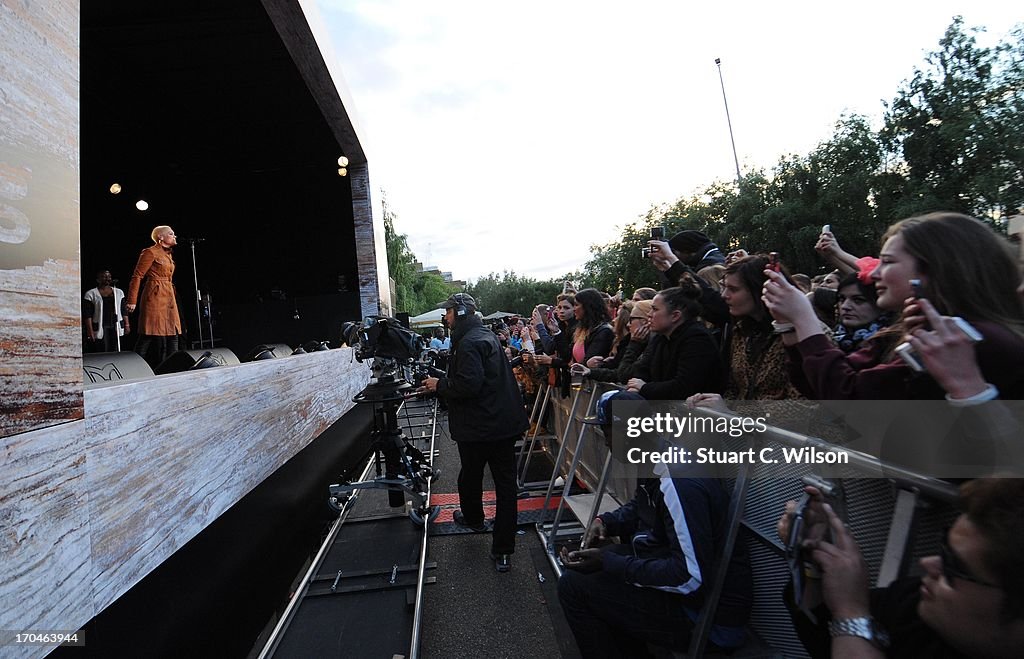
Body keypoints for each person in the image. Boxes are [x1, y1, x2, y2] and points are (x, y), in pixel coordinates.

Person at [763, 212, 1024, 400]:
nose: (874, 273)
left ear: (934, 270)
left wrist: (804, 318)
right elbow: (819, 386)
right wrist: (789, 325)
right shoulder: (913, 330)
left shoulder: (971, 339)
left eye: (887, 262)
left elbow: (849, 399)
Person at [779, 478, 1024, 658]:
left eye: (954, 566)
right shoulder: (914, 602)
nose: (927, 564)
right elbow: (825, 642)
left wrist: (851, 613)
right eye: (944, 548)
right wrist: (814, 561)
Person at [558, 471, 753, 657]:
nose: (608, 440)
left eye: (611, 434)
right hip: (694, 599)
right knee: (596, 572)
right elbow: (642, 507)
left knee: (573, 586)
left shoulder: (678, 484)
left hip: (709, 621)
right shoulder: (658, 466)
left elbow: (688, 576)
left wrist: (608, 562)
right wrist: (606, 522)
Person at [420, 293, 529, 573]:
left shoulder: (468, 342)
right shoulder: (485, 336)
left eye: (448, 312)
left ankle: (474, 519)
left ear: (460, 312)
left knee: (470, 477)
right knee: (505, 487)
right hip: (502, 425)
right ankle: (503, 551)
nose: (444, 317)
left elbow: (468, 386)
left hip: (480, 427)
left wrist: (438, 384)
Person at [127, 225, 182, 367]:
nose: (174, 236)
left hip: (169, 296)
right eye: (171, 234)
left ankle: (172, 368)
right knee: (148, 334)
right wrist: (132, 300)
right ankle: (134, 367)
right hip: (155, 296)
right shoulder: (150, 252)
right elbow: (137, 276)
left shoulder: (168, 254)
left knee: (173, 333)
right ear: (161, 237)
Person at [83, 270, 130, 352]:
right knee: (103, 348)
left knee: (115, 348)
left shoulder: (118, 292)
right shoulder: (91, 294)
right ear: (98, 280)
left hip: (115, 323)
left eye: (109, 276)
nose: (107, 278)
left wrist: (127, 325)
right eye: (104, 277)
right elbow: (88, 314)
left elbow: (123, 310)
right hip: (101, 325)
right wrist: (89, 330)